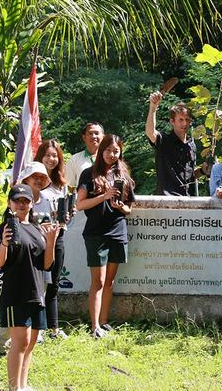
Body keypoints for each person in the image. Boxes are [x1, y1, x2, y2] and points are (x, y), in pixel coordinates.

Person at [0, 184, 58, 391]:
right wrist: (4, 244)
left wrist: (51, 240)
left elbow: (46, 265)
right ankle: (14, 388)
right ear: (10, 203)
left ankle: (23, 385)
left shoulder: (37, 228)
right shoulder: (7, 227)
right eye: (17, 200)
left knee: (31, 342)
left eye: (25, 200)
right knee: (20, 342)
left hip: (37, 293)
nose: (21, 204)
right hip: (15, 293)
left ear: (32, 203)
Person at [76, 134, 135, 338]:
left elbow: (129, 208)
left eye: (116, 151)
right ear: (101, 151)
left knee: (110, 281)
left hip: (118, 231)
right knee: (98, 281)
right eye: (108, 150)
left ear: (120, 152)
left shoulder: (123, 176)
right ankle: (94, 327)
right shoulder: (88, 174)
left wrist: (121, 207)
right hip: (96, 233)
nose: (112, 154)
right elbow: (79, 204)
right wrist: (103, 196)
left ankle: (104, 321)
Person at [34, 140, 70, 339]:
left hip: (58, 237)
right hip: (37, 238)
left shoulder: (61, 184)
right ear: (40, 156)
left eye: (55, 155)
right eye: (47, 155)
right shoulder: (32, 181)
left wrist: (67, 215)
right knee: (39, 283)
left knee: (54, 283)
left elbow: (62, 216)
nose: (51, 159)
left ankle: (53, 328)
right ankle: (37, 329)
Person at [146, 91, 208, 196]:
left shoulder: (191, 144)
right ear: (172, 121)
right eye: (180, 119)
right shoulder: (164, 141)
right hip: (168, 200)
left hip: (188, 200)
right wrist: (153, 107)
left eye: (187, 119)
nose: (185, 123)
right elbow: (150, 132)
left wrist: (202, 171)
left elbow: (189, 175)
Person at [65, 122, 104, 189]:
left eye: (97, 133)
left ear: (103, 137)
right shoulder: (74, 159)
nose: (94, 136)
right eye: (90, 133)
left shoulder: (109, 159)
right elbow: (69, 186)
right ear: (84, 137)